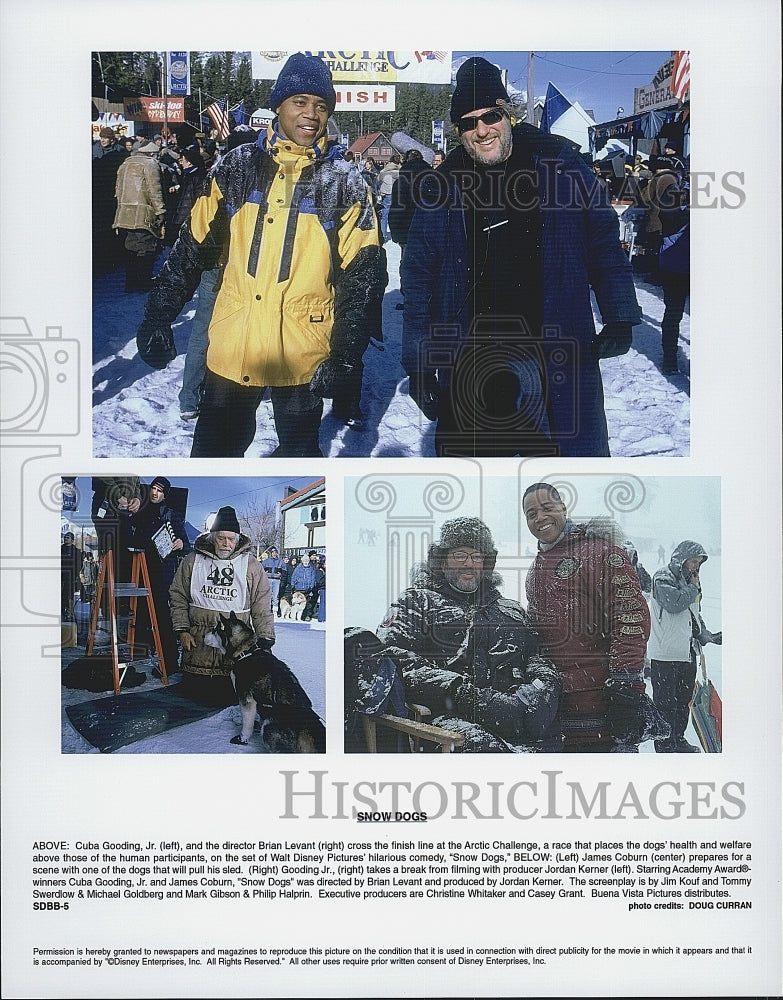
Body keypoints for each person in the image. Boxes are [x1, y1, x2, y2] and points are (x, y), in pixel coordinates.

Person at [137, 53, 387, 458]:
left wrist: (344, 353)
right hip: (234, 348)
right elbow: (191, 249)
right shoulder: (235, 168)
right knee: (212, 457)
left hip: (301, 354)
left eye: (321, 106)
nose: (311, 114)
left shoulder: (346, 183)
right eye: (300, 102)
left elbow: (363, 280)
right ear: (278, 106)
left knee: (299, 456)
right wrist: (157, 314)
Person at [402, 57, 642, 458]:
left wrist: (619, 314)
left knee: (567, 476)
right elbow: (418, 277)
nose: (481, 130)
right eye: (467, 122)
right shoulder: (440, 187)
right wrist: (420, 362)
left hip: (555, 352)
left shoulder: (562, 167)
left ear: (508, 115)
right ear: (458, 130)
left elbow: (603, 244)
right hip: (472, 360)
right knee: (476, 484)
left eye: (490, 116)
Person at [371, 517, 562, 752]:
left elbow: (538, 656)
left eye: (477, 556)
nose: (469, 563)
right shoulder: (416, 602)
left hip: (518, 722)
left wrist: (545, 689)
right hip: (446, 726)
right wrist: (466, 696)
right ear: (442, 562)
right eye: (460, 555)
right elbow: (391, 661)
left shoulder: (510, 609)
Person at [523, 483, 657, 752]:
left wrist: (625, 686)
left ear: (564, 507)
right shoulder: (537, 564)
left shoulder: (600, 552)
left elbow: (630, 619)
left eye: (547, 508)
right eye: (531, 513)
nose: (540, 518)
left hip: (602, 708)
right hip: (557, 708)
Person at [169, 506, 274, 704]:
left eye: (231, 539)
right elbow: (178, 595)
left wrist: (265, 640)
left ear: (237, 539)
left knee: (231, 697)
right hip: (198, 650)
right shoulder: (193, 560)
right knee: (194, 699)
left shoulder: (251, 565)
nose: (226, 543)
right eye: (221, 538)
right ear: (213, 537)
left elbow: (262, 604)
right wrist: (182, 630)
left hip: (235, 652)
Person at [648, 540, 722, 753]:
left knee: (683, 701)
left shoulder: (691, 583)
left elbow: (694, 614)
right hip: (666, 652)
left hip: (688, 651)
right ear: (681, 559)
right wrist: (693, 586)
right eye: (693, 561)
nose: (696, 567)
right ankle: (664, 743)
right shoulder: (663, 577)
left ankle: (677, 739)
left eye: (699, 563)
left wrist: (707, 636)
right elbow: (674, 603)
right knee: (665, 703)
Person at [130, 477, 191, 676]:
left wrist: (181, 543)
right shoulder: (141, 512)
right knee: (141, 613)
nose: (155, 493)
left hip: (164, 573)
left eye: (159, 490)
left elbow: (186, 544)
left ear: (165, 494)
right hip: (142, 569)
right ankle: (140, 652)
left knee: (163, 617)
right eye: (153, 489)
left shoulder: (173, 515)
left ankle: (169, 662)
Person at [113, 140, 166, 292]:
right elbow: (155, 190)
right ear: (151, 153)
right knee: (146, 248)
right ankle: (143, 282)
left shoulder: (125, 164)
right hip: (144, 213)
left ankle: (131, 282)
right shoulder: (150, 164)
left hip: (125, 213)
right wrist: (160, 211)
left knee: (131, 247)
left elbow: (118, 190)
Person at [377, 154, 401, 241]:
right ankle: (395, 234)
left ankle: (383, 235)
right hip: (396, 194)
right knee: (396, 215)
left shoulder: (384, 171)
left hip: (385, 193)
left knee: (385, 215)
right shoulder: (400, 171)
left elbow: (379, 180)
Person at [60, 532, 83, 621]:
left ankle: (70, 612)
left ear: (72, 540)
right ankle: (61, 611)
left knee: (69, 595)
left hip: (71, 577)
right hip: (61, 576)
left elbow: (79, 564)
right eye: (65, 537)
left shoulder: (76, 551)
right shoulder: (60, 549)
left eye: (68, 537)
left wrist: (75, 574)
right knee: (60, 595)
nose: (66, 538)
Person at [291, 550, 319, 622]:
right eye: (304, 561)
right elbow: (293, 576)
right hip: (298, 588)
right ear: (302, 561)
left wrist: (311, 586)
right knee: (297, 603)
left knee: (307, 604)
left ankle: (306, 615)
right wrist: (293, 585)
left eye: (307, 561)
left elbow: (313, 578)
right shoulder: (298, 568)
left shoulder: (311, 569)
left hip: (307, 588)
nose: (306, 562)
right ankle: (296, 616)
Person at [261, 545, 285, 611]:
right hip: (268, 580)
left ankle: (275, 610)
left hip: (277, 580)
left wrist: (282, 579)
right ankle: (267, 609)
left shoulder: (280, 561)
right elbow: (261, 571)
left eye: (275, 552)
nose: (274, 554)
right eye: (273, 552)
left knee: (275, 595)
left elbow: (284, 572)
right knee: (268, 595)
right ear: (271, 553)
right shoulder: (266, 561)